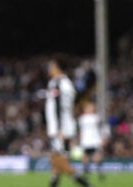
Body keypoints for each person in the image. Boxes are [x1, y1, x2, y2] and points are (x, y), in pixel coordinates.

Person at [45, 58, 89, 187]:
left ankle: (85, 183)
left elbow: (60, 107)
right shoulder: (62, 83)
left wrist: (59, 129)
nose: (49, 68)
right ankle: (53, 184)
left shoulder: (59, 83)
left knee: (59, 160)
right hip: (63, 125)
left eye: (51, 66)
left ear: (57, 67)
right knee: (55, 158)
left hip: (60, 128)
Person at [77, 101, 105, 181]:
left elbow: (102, 128)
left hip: (95, 140)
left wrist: (102, 138)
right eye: (88, 107)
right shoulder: (82, 118)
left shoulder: (96, 118)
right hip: (85, 141)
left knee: (97, 156)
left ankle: (100, 172)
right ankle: (86, 173)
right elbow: (80, 130)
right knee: (85, 157)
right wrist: (79, 139)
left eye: (91, 107)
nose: (90, 109)